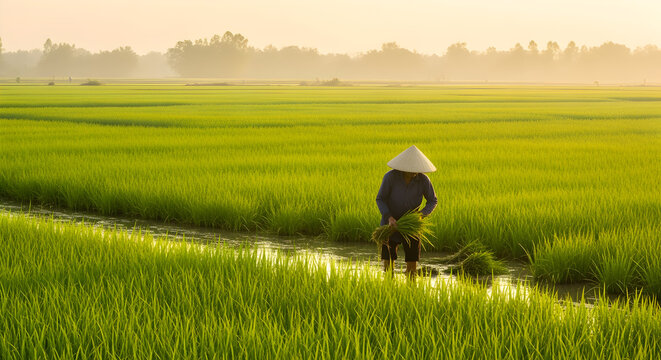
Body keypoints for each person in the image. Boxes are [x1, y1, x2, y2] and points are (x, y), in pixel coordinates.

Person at [376, 145, 438, 279]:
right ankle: (388, 288)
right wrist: (389, 217)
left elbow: (432, 200)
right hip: (390, 223)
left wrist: (421, 215)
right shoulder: (390, 177)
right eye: (411, 169)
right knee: (388, 261)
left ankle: (410, 287)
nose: (414, 172)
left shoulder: (423, 180)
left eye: (417, 169)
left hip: (411, 224)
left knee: (412, 261)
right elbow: (380, 199)